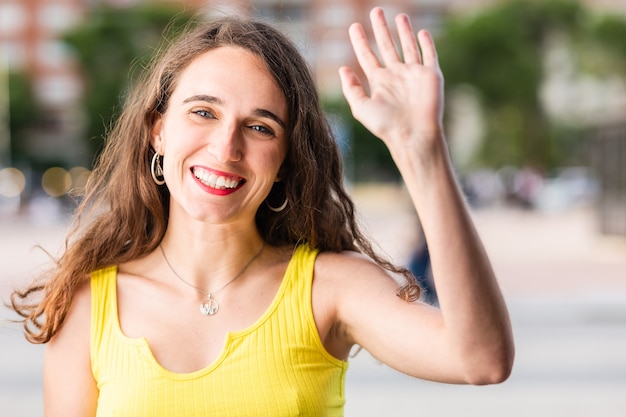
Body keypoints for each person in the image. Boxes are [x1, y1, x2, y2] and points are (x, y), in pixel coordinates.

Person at [10, 7, 514, 416]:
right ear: (157, 131)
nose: (226, 147)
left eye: (260, 127)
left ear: (284, 160)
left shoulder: (329, 289)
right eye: (203, 112)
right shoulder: (88, 305)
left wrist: (422, 151)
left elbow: (482, 359)